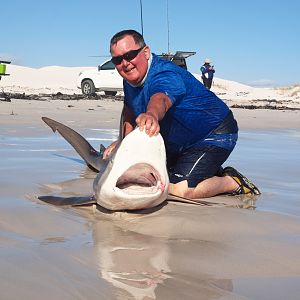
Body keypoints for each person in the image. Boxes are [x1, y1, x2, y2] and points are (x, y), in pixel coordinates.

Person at [103, 29, 260, 200]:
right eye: (117, 60)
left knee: (179, 190)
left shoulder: (166, 74)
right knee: (148, 176)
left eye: (130, 55)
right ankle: (205, 169)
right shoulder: (129, 81)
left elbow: (161, 99)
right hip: (178, 140)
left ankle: (232, 181)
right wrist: (122, 143)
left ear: (146, 52)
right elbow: (129, 110)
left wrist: (151, 114)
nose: (125, 63)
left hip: (213, 135)